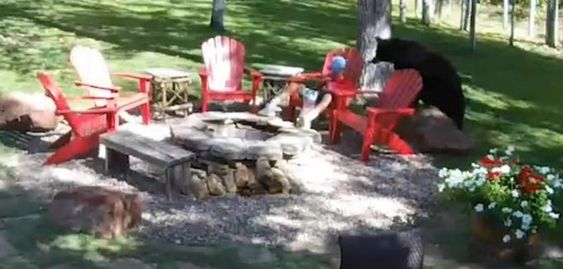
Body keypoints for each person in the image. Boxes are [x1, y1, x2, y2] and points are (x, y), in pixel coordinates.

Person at [258, 56, 347, 117]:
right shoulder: (328, 75)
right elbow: (317, 77)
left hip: (324, 99)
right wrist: (306, 76)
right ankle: (272, 104)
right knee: (294, 85)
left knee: (328, 97)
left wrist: (327, 85)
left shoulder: (342, 82)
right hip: (314, 95)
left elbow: (338, 92)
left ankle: (309, 117)